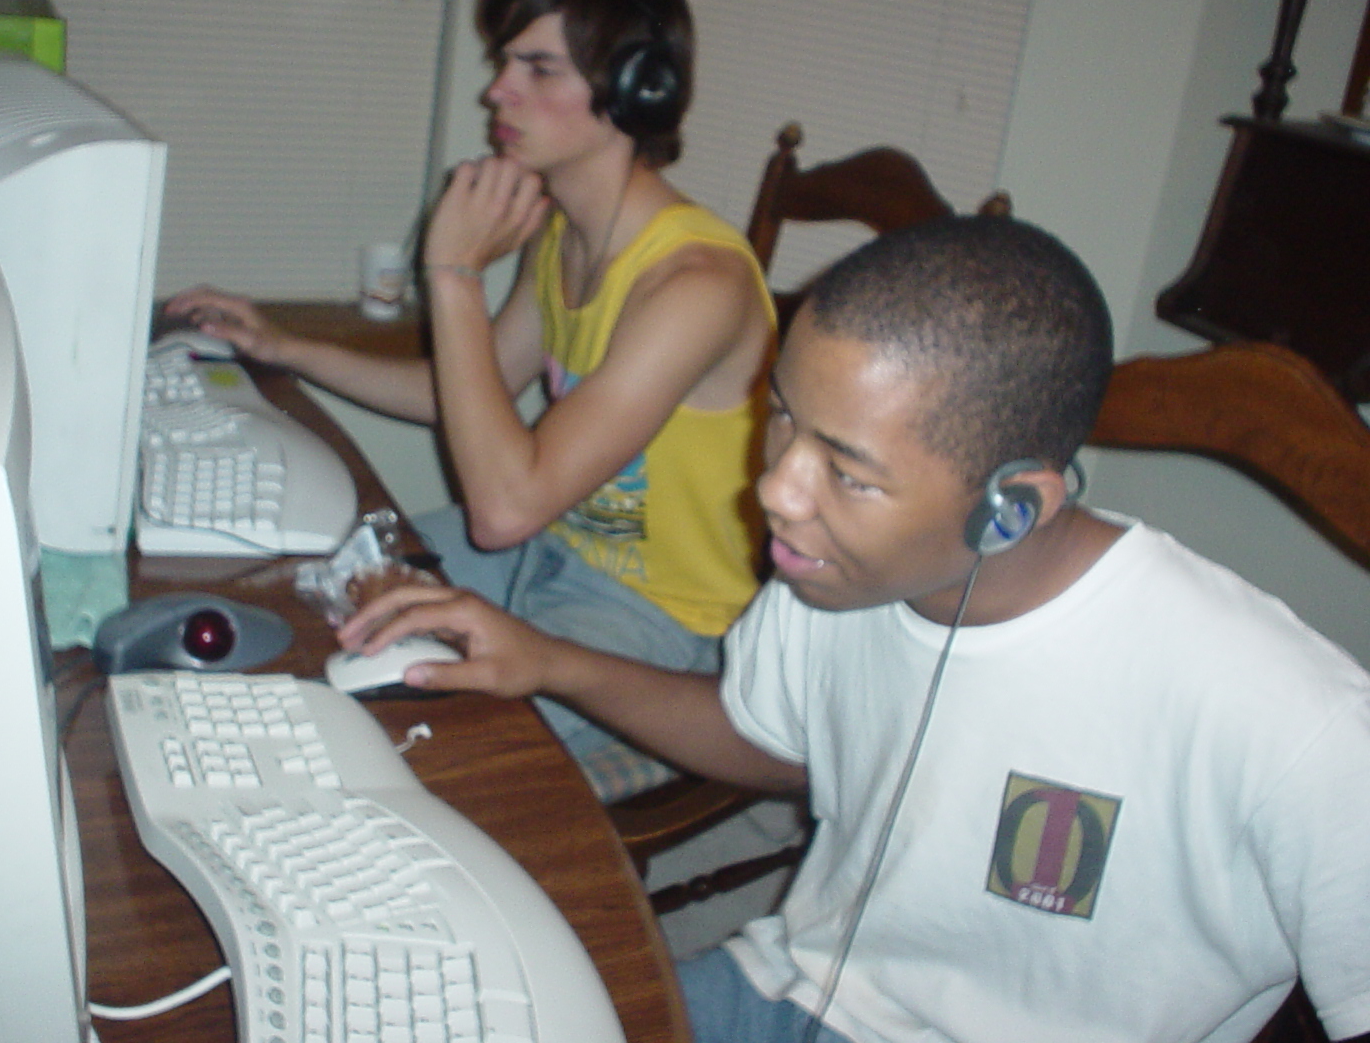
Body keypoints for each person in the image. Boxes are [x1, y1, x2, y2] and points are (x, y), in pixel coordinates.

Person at [335, 213, 1370, 1043]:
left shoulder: (1289, 718)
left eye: (848, 470)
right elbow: (764, 737)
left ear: (1012, 505)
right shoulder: (828, 572)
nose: (776, 490)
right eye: (781, 414)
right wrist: (550, 662)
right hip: (793, 991)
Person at [165, 0, 776, 786]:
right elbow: (459, 397)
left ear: (636, 91)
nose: (498, 92)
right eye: (504, 64)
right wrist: (286, 348)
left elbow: (503, 510)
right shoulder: (565, 232)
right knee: (308, 593)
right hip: (549, 547)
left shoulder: (695, 286)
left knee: (429, 765)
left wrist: (452, 274)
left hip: (664, 623)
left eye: (538, 68)